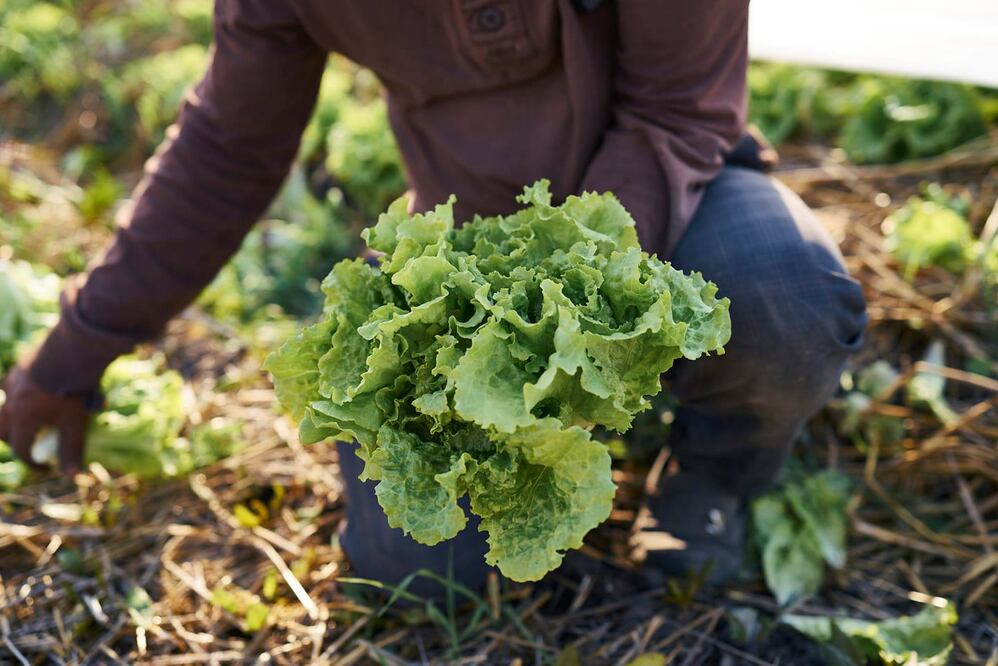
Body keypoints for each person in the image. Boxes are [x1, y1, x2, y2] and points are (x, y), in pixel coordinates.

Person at [0, 0, 866, 595]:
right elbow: (228, 147)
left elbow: (676, 113)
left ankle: (710, 474)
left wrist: (567, 310)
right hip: (468, 247)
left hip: (677, 192)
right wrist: (79, 347)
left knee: (787, 300)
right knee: (416, 573)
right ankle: (557, 439)